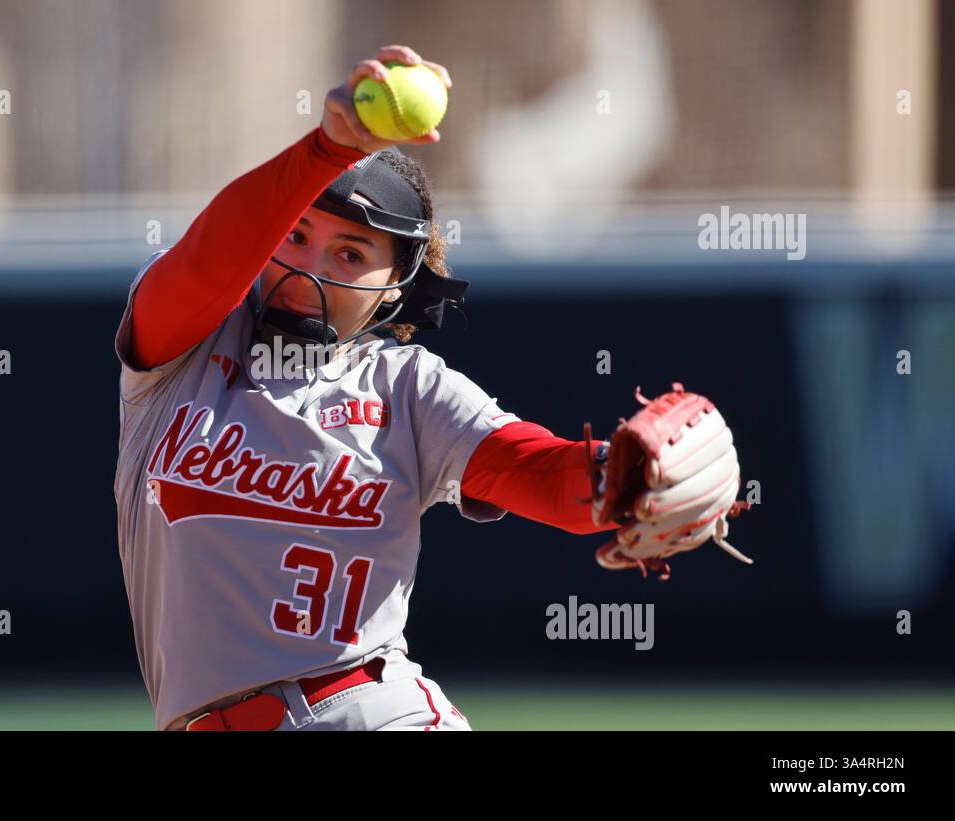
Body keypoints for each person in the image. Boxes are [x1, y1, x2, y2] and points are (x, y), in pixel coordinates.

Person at [113, 45, 743, 731]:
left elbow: (530, 467)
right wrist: (324, 150)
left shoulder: (406, 386)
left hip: (368, 714)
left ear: (394, 290)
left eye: (350, 253)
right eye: (294, 234)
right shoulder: (184, 351)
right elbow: (208, 262)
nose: (308, 266)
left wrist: (620, 482)